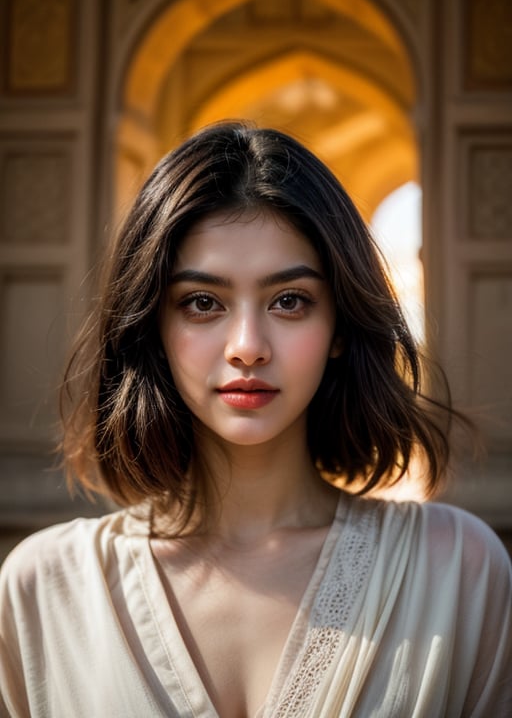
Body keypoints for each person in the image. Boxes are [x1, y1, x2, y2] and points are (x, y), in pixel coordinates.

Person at [0, 122, 510, 718]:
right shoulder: (43, 589)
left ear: (339, 328)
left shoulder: (457, 571)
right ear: (153, 329)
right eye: (202, 303)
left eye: (289, 301)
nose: (247, 346)